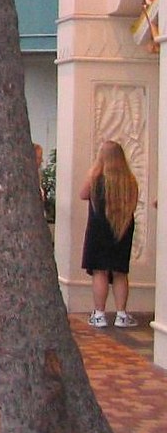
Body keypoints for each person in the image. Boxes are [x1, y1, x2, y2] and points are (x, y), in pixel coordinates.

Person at [80, 140, 139, 328]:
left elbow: (82, 194)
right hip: (122, 227)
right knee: (120, 272)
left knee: (99, 271)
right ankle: (121, 314)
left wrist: (93, 171)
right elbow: (133, 202)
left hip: (99, 228)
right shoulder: (129, 180)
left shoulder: (96, 179)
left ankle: (99, 314)